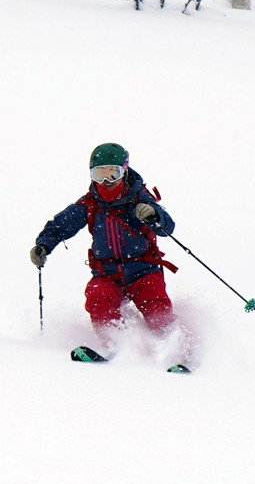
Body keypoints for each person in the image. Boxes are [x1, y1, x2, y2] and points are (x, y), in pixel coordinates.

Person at [30, 143, 185, 359]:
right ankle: (115, 346)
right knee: (98, 297)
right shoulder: (90, 203)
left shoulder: (139, 199)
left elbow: (167, 228)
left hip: (143, 271)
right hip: (107, 273)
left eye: (113, 173)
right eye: (99, 174)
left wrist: (153, 216)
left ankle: (177, 350)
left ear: (125, 170)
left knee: (155, 306)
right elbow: (60, 226)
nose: (106, 181)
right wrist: (44, 245)